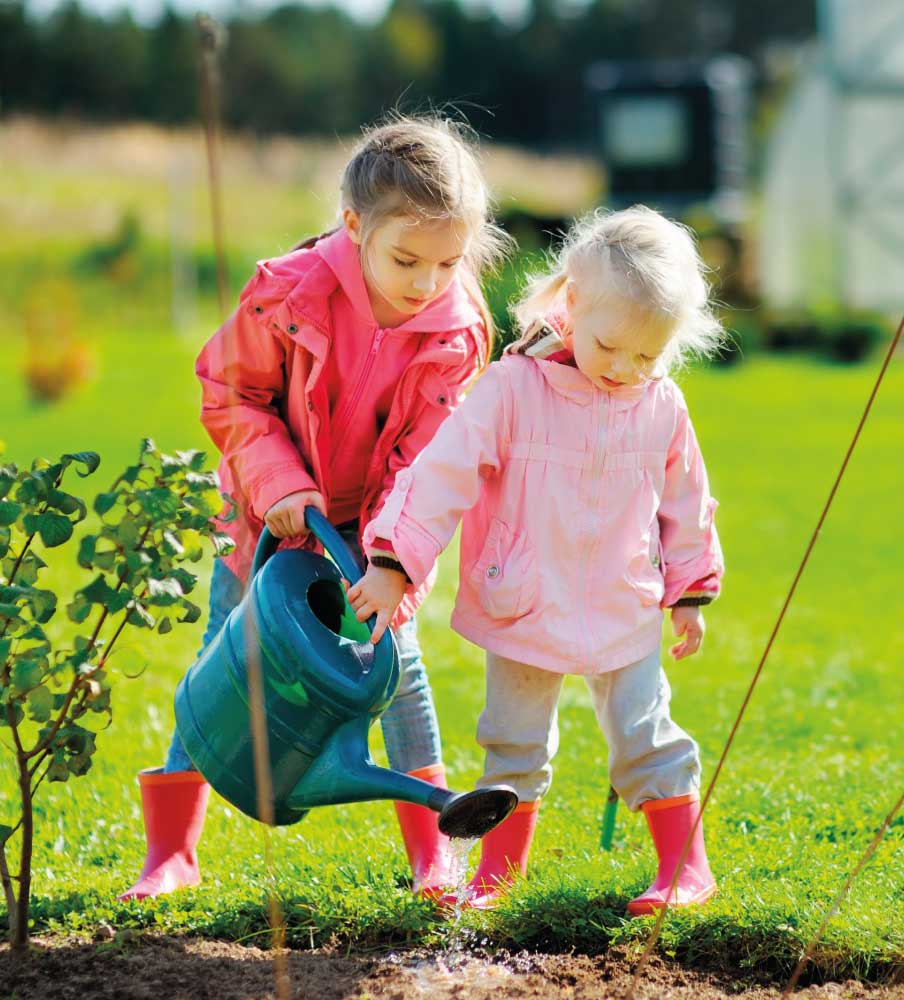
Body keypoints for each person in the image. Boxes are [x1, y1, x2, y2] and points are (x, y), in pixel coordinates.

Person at [120, 115, 512, 902]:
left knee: (398, 676)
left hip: (376, 531)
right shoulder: (288, 292)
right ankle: (172, 853)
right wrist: (280, 486)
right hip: (270, 522)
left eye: (447, 263)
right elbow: (231, 390)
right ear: (354, 224)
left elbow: (431, 464)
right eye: (406, 259)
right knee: (222, 657)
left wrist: (392, 561)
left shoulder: (458, 334)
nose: (426, 282)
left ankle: (434, 855)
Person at [346, 206, 725, 913]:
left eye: (648, 356)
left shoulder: (661, 405)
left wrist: (689, 590)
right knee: (514, 741)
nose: (624, 369)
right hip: (523, 593)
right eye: (611, 345)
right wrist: (395, 560)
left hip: (624, 598)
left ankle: (685, 871)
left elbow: (687, 501)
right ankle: (498, 879)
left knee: (646, 735)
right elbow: (442, 473)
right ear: (572, 305)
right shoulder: (512, 389)